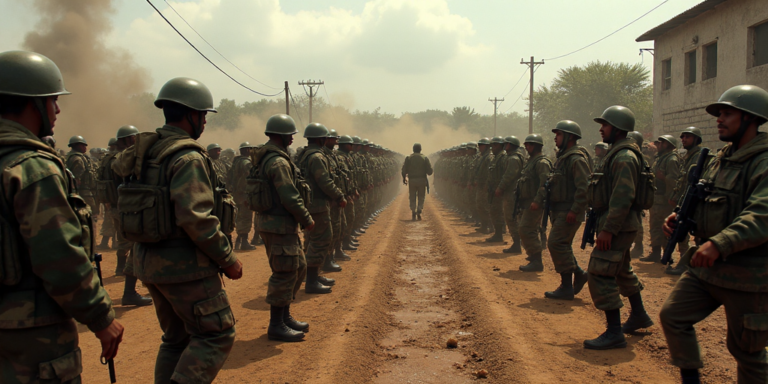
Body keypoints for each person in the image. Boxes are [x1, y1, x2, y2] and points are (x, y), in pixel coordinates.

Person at [0, 50, 124, 383]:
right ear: (32, 104)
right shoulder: (32, 168)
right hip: (31, 330)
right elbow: (59, 256)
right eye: (52, 100)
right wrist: (99, 316)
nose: (57, 109)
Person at [112, 77, 242, 383]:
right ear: (189, 115)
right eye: (204, 115)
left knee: (176, 339)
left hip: (148, 262)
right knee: (216, 334)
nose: (205, 122)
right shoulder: (187, 156)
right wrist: (227, 258)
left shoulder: (146, 151)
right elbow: (195, 218)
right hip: (185, 267)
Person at [660, 85, 768, 384]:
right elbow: (708, 198)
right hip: (707, 268)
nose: (720, 119)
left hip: (748, 276)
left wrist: (720, 243)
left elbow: (762, 215)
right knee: (673, 317)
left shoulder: (763, 161)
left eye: (728, 113)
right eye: (719, 113)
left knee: (748, 352)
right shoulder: (722, 157)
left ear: (751, 119)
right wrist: (682, 217)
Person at [584, 106, 653, 350]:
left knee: (601, 272)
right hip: (620, 225)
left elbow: (623, 197)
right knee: (622, 271)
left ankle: (614, 332)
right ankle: (639, 315)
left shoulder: (624, 157)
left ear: (618, 128)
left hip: (618, 226)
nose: (601, 129)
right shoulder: (619, 153)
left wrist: (608, 230)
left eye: (606, 125)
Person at [252, 114, 314, 342]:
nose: (292, 139)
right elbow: (289, 195)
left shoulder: (272, 157)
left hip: (281, 224)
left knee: (298, 266)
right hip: (277, 224)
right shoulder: (277, 162)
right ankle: (276, 324)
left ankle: (285, 315)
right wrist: (306, 218)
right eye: (290, 135)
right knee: (284, 272)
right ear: (282, 135)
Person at [97, 124, 153, 306]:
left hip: (113, 205)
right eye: (134, 138)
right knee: (136, 245)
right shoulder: (124, 159)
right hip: (126, 208)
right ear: (129, 139)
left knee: (128, 242)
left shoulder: (108, 158)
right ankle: (129, 291)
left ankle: (124, 274)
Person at [544, 121, 591, 300]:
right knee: (562, 244)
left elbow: (584, 187)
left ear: (570, 137)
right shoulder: (563, 158)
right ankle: (577, 275)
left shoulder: (576, 159)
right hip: (560, 210)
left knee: (556, 243)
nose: (555, 138)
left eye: (559, 134)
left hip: (569, 211)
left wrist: (575, 209)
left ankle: (566, 286)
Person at [297, 123, 346, 293]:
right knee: (321, 240)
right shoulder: (316, 157)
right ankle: (311, 281)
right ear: (319, 138)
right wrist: (339, 196)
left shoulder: (305, 154)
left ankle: (314, 276)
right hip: (317, 204)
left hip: (311, 202)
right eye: (325, 137)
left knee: (314, 240)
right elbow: (324, 181)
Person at [665, 127, 705, 275]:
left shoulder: (699, 157)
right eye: (682, 137)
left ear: (696, 139)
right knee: (681, 234)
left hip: (695, 202)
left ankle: (693, 266)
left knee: (698, 236)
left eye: (687, 137)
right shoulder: (688, 156)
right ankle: (684, 262)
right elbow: (681, 180)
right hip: (685, 200)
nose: (683, 139)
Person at [641, 135, 684, 263]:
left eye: (662, 143)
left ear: (669, 144)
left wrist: (663, 178)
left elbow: (676, 180)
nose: (658, 145)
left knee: (665, 228)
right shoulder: (660, 158)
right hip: (657, 199)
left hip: (665, 200)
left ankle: (667, 254)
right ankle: (655, 253)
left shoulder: (671, 159)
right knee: (654, 226)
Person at [517, 134, 553, 272]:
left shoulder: (541, 162)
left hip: (535, 202)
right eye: (526, 144)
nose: (526, 147)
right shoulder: (531, 161)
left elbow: (544, 184)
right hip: (527, 202)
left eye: (529, 145)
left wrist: (537, 200)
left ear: (537, 146)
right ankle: (533, 256)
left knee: (526, 228)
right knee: (526, 228)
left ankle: (537, 260)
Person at [496, 136, 525, 254]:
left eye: (506, 144)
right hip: (513, 192)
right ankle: (516, 243)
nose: (504, 146)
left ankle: (517, 245)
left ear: (511, 145)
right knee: (511, 218)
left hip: (512, 193)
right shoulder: (512, 157)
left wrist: (500, 187)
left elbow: (508, 176)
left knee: (511, 218)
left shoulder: (513, 159)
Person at [229, 142, 258, 250]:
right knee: (246, 217)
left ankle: (239, 241)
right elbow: (251, 179)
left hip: (237, 194)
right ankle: (244, 242)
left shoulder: (236, 162)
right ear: (247, 150)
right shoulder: (246, 163)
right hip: (245, 194)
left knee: (240, 217)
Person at [66, 135, 99, 217]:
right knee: (91, 213)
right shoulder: (78, 159)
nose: (85, 147)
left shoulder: (71, 157)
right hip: (83, 192)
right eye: (83, 145)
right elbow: (77, 179)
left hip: (81, 191)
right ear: (76, 145)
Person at [402, 142, 434, 221]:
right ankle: (419, 209)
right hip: (422, 180)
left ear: (413, 149)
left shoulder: (408, 158)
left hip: (412, 180)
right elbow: (429, 171)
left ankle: (413, 210)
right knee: (421, 196)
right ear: (420, 149)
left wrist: (404, 178)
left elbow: (404, 170)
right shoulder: (424, 158)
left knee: (412, 196)